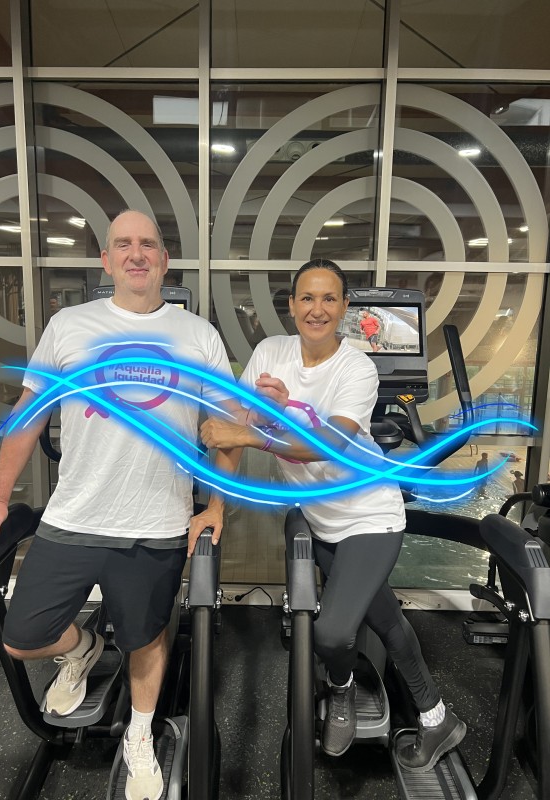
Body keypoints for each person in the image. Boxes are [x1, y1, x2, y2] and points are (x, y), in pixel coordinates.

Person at [0, 210, 238, 800]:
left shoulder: (198, 335)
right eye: (124, 244)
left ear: (164, 260)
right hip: (73, 515)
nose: (137, 254)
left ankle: (139, 734)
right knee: (21, 636)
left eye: (148, 244)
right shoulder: (68, 326)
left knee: (146, 640)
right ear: (107, 261)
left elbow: (226, 429)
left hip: (156, 523)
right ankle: (84, 648)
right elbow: (28, 416)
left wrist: (215, 507)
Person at [200, 258, 466, 770]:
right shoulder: (270, 352)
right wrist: (216, 505)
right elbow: (232, 428)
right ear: (291, 305)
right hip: (320, 518)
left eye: (328, 299)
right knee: (386, 619)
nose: (316, 309)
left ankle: (340, 688)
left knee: (332, 633)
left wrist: (253, 432)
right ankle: (438, 719)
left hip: (370, 516)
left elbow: (330, 443)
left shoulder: (357, 368)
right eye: (306, 297)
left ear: (344, 308)